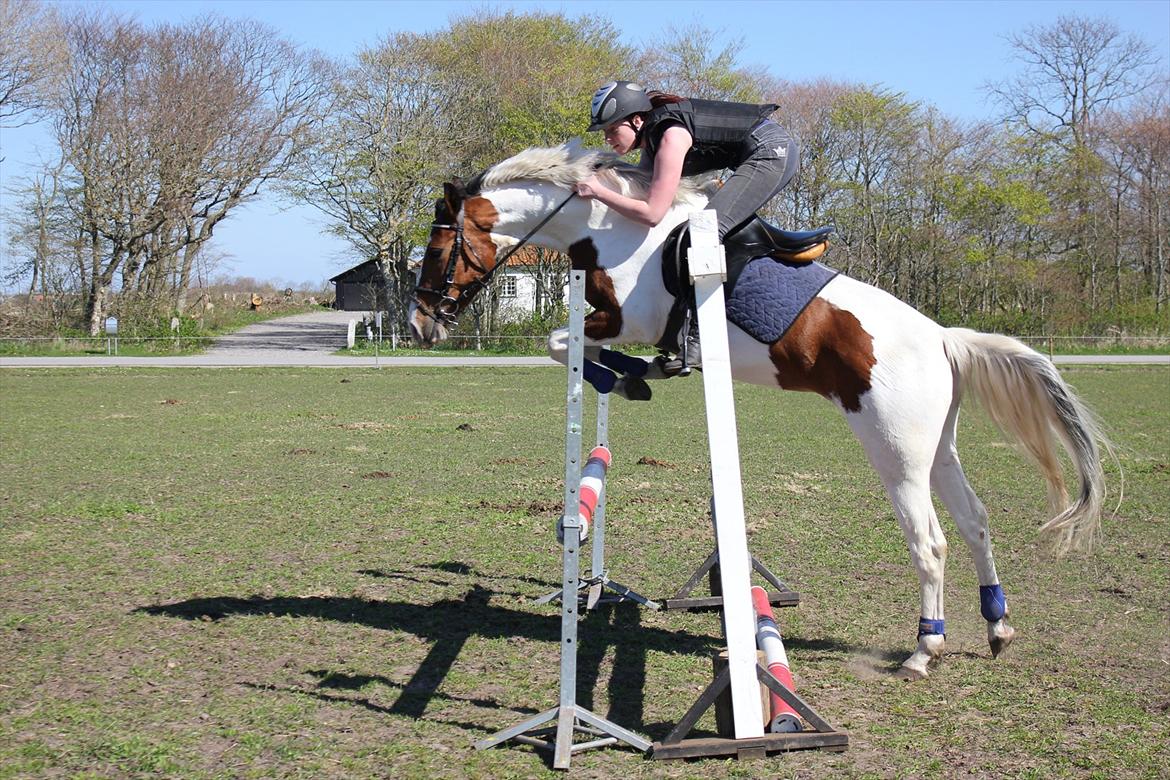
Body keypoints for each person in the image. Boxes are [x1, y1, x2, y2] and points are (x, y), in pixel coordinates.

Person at [575, 80, 800, 371]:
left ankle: (699, 336)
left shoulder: (670, 135)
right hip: (759, 151)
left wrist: (599, 191)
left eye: (611, 129)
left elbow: (652, 213)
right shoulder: (653, 137)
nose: (607, 137)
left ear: (637, 120)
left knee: (701, 234)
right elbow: (642, 181)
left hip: (771, 153)